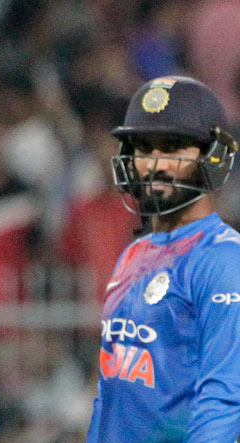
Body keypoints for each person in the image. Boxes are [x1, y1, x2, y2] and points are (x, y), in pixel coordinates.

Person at [87, 75, 240, 442]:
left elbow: (223, 396)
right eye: (144, 148)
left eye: (172, 148)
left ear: (213, 157)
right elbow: (112, 392)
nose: (155, 164)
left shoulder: (223, 261)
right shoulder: (134, 254)